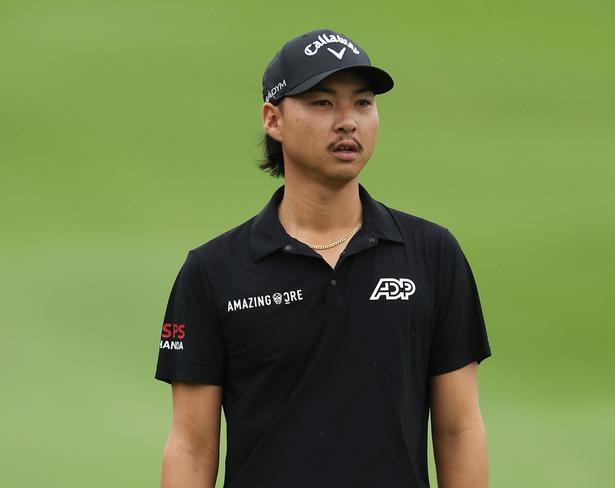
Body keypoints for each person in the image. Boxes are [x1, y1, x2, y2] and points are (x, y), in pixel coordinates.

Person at [155, 28, 492, 488]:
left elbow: (458, 429)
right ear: (272, 120)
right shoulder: (213, 272)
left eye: (363, 102)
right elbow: (192, 446)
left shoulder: (433, 254)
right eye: (322, 103)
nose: (348, 121)